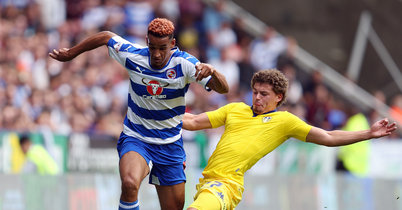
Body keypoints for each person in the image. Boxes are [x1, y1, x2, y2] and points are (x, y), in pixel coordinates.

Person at [49, 18, 229, 210]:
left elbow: (223, 89)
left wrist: (214, 72)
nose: (157, 54)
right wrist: (71, 53)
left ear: (173, 44)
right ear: (146, 41)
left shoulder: (185, 64)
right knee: (129, 183)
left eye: (162, 48)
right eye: (152, 47)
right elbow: (106, 37)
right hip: (136, 137)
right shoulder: (133, 55)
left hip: (169, 144)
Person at [182, 69, 397, 210]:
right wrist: (151, 112)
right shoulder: (235, 109)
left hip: (227, 184)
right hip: (206, 181)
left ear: (279, 98)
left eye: (264, 94)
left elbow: (328, 136)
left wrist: (368, 134)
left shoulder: (284, 121)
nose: (257, 97)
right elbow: (192, 121)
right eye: (255, 92)